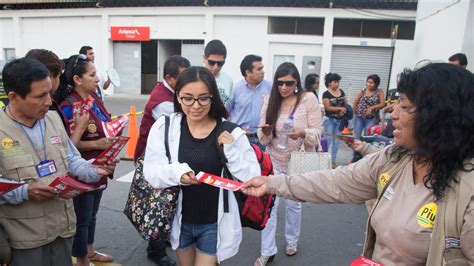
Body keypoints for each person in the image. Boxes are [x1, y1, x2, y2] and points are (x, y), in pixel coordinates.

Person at [242, 63, 474, 265]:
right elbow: (337, 182)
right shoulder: (396, 158)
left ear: (439, 117)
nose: (392, 113)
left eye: (404, 106)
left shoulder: (467, 192)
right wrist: (271, 183)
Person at [0, 57, 117, 266]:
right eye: (40, 96)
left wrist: (95, 169)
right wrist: (24, 192)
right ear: (14, 97)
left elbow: (72, 160)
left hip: (62, 231)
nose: (48, 101)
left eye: (50, 93)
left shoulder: (53, 119)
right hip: (25, 240)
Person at [143, 66, 260, 265]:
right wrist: (178, 174)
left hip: (214, 222)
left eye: (203, 98)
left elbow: (252, 176)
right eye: (188, 98)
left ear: (213, 97)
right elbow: (151, 172)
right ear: (178, 97)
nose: (195, 105)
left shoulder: (231, 132)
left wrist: (231, 152)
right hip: (179, 219)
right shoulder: (165, 127)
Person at [255, 62, 323, 266]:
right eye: (280, 83)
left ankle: (292, 240)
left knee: (294, 204)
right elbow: (262, 136)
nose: (284, 87)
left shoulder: (308, 99)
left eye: (289, 83)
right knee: (270, 206)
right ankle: (267, 251)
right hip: (273, 158)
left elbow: (318, 131)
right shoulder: (270, 101)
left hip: (298, 160)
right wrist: (265, 132)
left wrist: (303, 133)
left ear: (296, 83)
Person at [59, 54, 116, 266]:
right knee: (81, 219)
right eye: (92, 75)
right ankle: (81, 259)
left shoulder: (94, 100)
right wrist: (95, 144)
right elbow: (65, 148)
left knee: (92, 214)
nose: (98, 79)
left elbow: (104, 126)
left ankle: (90, 251)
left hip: (100, 167)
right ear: (77, 79)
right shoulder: (67, 106)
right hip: (81, 170)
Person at [134, 55, 190, 266]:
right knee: (159, 206)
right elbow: (181, 125)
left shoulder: (170, 91)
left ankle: (161, 239)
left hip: (163, 158)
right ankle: (156, 251)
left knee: (167, 204)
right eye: (183, 78)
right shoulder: (164, 102)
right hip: (153, 160)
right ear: (169, 78)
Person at [25, 49, 89, 146]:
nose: (48, 102)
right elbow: (64, 150)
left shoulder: (54, 107)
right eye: (59, 76)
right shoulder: (51, 109)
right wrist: (80, 128)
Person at [226, 54, 272, 149]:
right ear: (248, 72)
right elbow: (225, 112)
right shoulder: (236, 89)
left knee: (262, 164)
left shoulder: (270, 87)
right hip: (240, 138)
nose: (263, 72)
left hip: (262, 140)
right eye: (259, 69)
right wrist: (236, 130)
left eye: (262, 69)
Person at [351, 74, 385, 162]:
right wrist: (352, 115)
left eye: (372, 83)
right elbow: (355, 103)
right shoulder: (362, 91)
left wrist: (372, 108)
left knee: (367, 137)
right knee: (356, 137)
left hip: (371, 117)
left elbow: (382, 104)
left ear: (376, 84)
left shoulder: (379, 91)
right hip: (359, 117)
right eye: (368, 82)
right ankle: (354, 157)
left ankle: (366, 158)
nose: (369, 84)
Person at [322, 73, 348, 168]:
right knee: (328, 141)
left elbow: (346, 104)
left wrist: (344, 111)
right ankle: (323, 160)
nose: (337, 84)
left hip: (340, 121)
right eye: (335, 82)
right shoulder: (326, 94)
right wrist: (339, 109)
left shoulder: (341, 91)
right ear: (329, 83)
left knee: (336, 142)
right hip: (329, 120)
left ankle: (333, 161)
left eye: (338, 82)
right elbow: (327, 107)